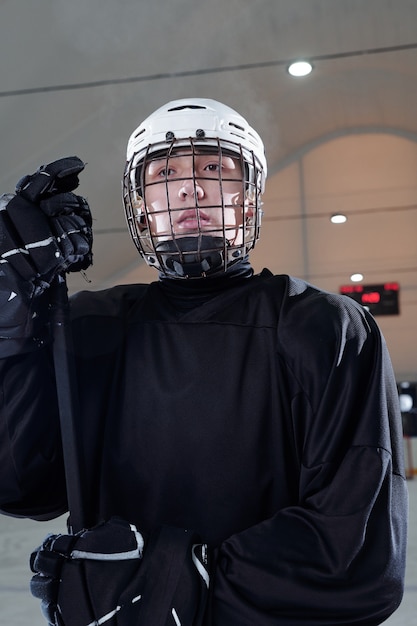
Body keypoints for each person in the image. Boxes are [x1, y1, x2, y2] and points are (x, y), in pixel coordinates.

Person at [0, 98, 408, 625]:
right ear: (141, 204)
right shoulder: (90, 326)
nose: (190, 186)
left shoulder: (325, 327)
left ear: (248, 197)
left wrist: (176, 582)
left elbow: (359, 556)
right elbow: (22, 486)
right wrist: (14, 326)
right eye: (165, 172)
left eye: (214, 167)